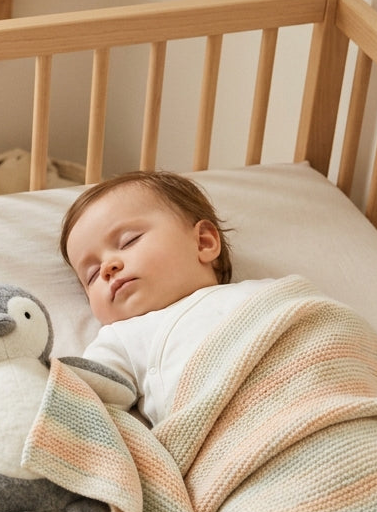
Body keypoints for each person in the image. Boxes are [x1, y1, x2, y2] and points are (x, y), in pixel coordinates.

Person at [59, 170, 272, 426]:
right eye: (92, 275)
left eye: (129, 241)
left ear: (203, 242)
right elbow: (80, 409)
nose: (107, 267)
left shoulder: (267, 292)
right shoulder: (124, 338)